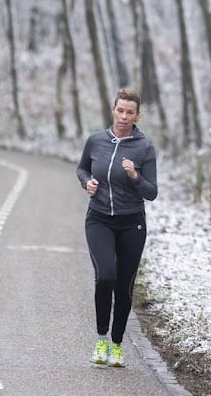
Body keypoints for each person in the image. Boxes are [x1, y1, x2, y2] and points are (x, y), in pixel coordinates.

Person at [76, 88, 158, 368]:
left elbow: (152, 192)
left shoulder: (144, 147)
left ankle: (117, 344)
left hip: (131, 222)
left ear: (137, 115)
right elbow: (82, 169)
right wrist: (86, 182)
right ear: (113, 110)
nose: (124, 116)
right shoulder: (96, 141)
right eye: (120, 110)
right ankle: (101, 339)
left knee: (124, 286)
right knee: (106, 276)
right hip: (98, 218)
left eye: (130, 112)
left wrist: (135, 175)